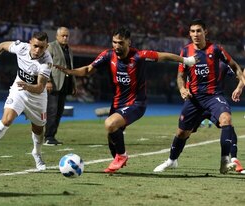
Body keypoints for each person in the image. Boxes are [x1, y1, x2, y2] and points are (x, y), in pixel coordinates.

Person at [55, 27, 196, 173]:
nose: (116, 46)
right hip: (117, 104)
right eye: (114, 42)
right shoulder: (108, 55)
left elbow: (164, 56)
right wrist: (69, 71)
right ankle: (118, 158)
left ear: (129, 42)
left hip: (136, 104)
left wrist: (186, 60)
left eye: (120, 43)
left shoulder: (139, 56)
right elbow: (88, 70)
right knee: (112, 140)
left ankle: (122, 156)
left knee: (110, 124)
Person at [153, 19, 245, 174]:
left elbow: (234, 65)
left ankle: (226, 160)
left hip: (213, 97)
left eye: (198, 31)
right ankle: (172, 160)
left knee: (226, 120)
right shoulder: (185, 51)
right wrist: (182, 89)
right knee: (182, 133)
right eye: (192, 31)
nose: (195, 34)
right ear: (189, 33)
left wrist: (241, 82)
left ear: (205, 32)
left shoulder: (215, 49)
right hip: (194, 100)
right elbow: (180, 75)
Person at [0, 32, 52, 171]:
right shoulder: (21, 48)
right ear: (30, 42)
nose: (38, 50)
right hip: (19, 89)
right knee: (6, 120)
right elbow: (1, 46)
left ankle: (37, 152)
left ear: (46, 46)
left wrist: (28, 86)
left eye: (42, 47)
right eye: (35, 46)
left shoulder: (46, 62)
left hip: (37, 96)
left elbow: (40, 87)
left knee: (39, 129)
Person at [43, 27, 76, 146]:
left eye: (67, 36)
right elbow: (46, 65)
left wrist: (73, 84)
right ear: (57, 36)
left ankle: (52, 136)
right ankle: (48, 137)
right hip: (54, 84)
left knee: (59, 112)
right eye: (63, 35)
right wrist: (48, 81)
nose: (65, 38)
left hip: (65, 84)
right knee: (52, 110)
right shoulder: (51, 46)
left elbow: (70, 67)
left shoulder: (69, 50)